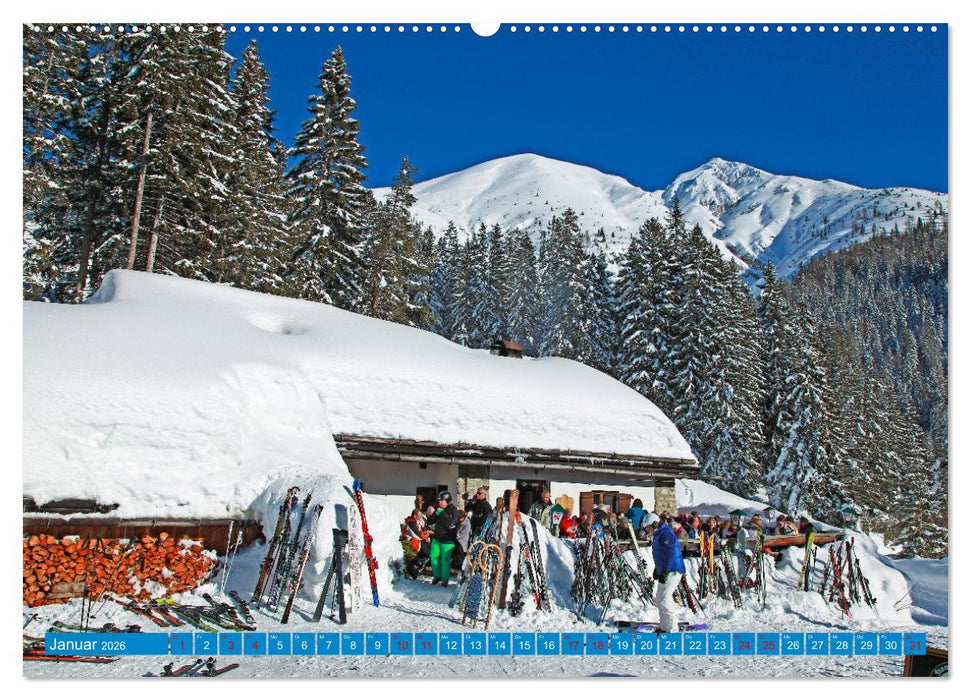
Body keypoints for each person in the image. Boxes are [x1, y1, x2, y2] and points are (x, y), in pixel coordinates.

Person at [652, 513, 686, 633]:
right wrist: (657, 569)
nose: (647, 530)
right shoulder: (658, 534)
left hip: (673, 570)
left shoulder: (665, 533)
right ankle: (664, 627)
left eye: (648, 527)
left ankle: (672, 629)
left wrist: (665, 570)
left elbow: (670, 553)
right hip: (665, 570)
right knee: (659, 598)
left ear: (654, 524)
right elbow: (660, 554)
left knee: (665, 598)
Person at [425, 491, 459, 587]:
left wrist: (443, 513)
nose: (439, 502)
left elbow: (451, 524)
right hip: (437, 538)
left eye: (442, 500)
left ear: (447, 500)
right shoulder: (438, 509)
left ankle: (444, 579)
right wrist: (435, 514)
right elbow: (430, 521)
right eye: (439, 500)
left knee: (445, 560)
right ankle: (437, 576)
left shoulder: (453, 510)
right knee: (433, 556)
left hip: (448, 541)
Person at [403, 509, 431, 579]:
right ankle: (415, 568)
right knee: (427, 553)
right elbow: (417, 533)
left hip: (417, 542)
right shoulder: (411, 523)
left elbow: (422, 530)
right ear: (415, 516)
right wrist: (424, 537)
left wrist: (427, 535)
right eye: (419, 516)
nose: (421, 517)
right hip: (411, 543)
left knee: (428, 552)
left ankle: (416, 569)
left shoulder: (416, 522)